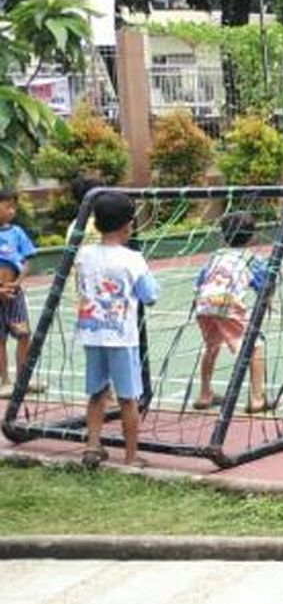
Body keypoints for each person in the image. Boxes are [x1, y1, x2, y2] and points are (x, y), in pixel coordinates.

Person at [77, 192, 159, 467]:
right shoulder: (132, 259)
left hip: (91, 332)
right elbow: (149, 295)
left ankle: (92, 445)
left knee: (97, 392)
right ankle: (131, 456)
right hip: (121, 337)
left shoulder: (85, 255)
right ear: (129, 224)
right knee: (128, 397)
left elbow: (81, 287)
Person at [192, 211, 269, 413]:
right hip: (227, 304)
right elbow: (265, 284)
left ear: (223, 235)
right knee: (254, 346)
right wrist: (267, 300)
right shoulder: (251, 259)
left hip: (204, 303)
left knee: (211, 346)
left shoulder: (214, 257)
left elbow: (199, 282)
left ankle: (204, 393)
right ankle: (256, 398)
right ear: (252, 236)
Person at [0, 189, 37, 398]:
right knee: (0, 340)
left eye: (13, 206)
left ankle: (24, 378)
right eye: (7, 206)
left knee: (23, 333)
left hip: (15, 293)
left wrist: (17, 283)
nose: (11, 210)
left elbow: (27, 261)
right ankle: (4, 380)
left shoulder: (17, 232)